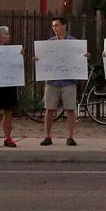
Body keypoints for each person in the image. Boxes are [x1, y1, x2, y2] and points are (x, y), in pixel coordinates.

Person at [35, 17, 84, 146]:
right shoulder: (49, 43)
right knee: (49, 109)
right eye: (53, 26)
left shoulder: (73, 42)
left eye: (57, 25)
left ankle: (70, 136)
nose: (55, 28)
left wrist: (84, 57)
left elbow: (79, 57)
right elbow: (43, 58)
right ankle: (47, 136)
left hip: (68, 81)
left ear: (64, 26)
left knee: (70, 109)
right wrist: (38, 59)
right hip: (52, 81)